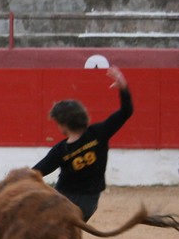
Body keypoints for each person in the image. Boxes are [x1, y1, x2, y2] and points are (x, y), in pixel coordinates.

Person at [32, 66, 133, 222]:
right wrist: (124, 88)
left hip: (64, 203)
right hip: (89, 205)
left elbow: (35, 173)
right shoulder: (99, 133)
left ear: (63, 124)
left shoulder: (60, 151)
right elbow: (126, 111)